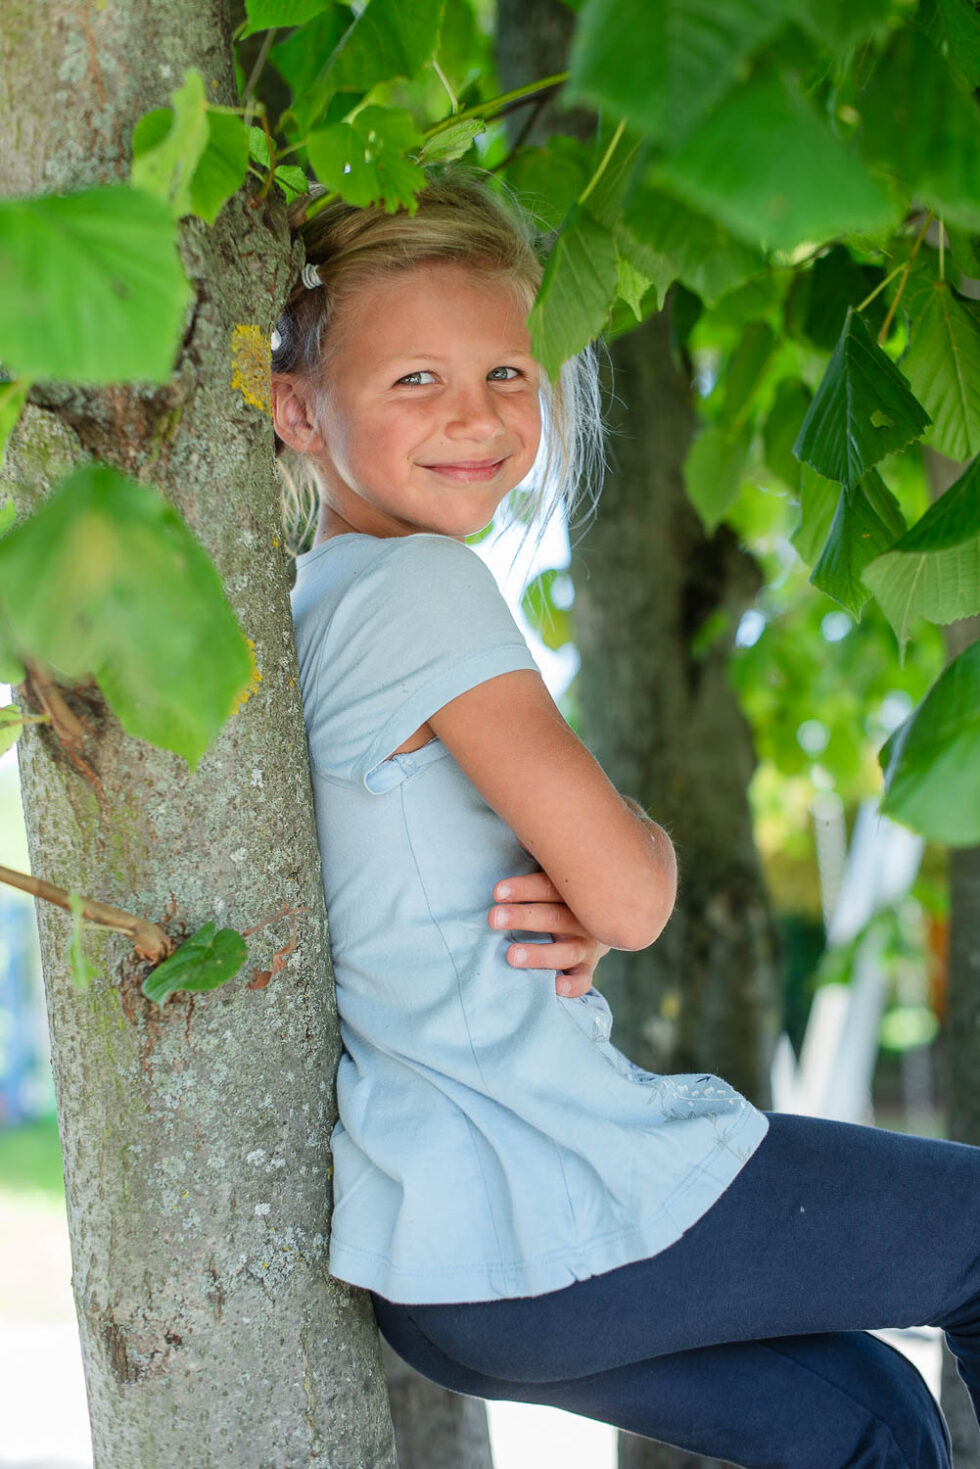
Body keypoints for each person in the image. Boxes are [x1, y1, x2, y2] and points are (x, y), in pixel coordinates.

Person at [273, 167, 979, 1467]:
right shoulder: (423, 589)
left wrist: (577, 884)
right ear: (296, 411)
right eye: (413, 380)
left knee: (872, 1415)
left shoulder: (318, 596)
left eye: (507, 374)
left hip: (452, 1266)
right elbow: (638, 897)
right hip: (545, 1195)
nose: (475, 417)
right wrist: (621, 860)